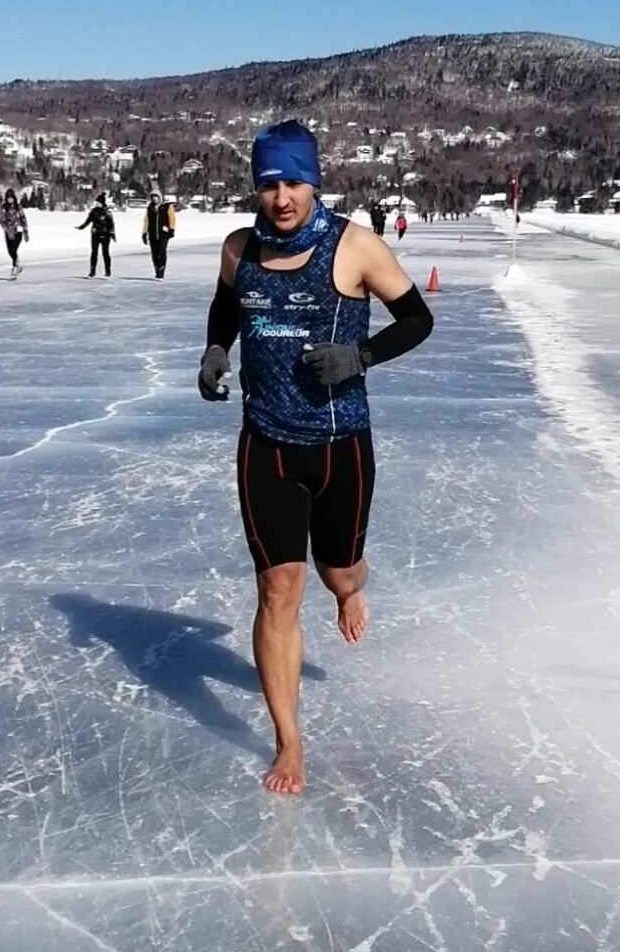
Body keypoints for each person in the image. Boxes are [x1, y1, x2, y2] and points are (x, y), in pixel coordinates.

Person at [198, 120, 434, 795]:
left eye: (293, 182)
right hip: (266, 445)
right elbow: (226, 308)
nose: (280, 196)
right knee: (277, 591)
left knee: (339, 573)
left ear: (314, 183)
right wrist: (217, 351)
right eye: (268, 183)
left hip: (339, 447)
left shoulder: (354, 247)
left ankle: (350, 591)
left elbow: (417, 319)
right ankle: (288, 742)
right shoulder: (238, 248)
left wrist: (358, 356)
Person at [76, 193, 115, 277]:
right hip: (95, 234)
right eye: (96, 203)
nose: (97, 204)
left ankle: (107, 272)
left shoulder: (107, 212)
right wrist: (82, 227)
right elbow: (88, 221)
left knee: (105, 253)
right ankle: (92, 272)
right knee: (94, 253)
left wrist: (112, 234)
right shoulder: (93, 211)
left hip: (105, 235)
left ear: (102, 203)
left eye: (98, 203)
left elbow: (111, 224)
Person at [142, 191, 176, 279]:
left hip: (164, 234)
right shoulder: (150, 208)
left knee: (161, 251)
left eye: (156, 197)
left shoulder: (167, 206)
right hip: (152, 234)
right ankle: (157, 269)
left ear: (160, 197)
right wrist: (144, 233)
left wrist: (171, 229)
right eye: (152, 197)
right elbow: (146, 221)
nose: (154, 199)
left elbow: (172, 218)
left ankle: (161, 271)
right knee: (154, 253)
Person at [1, 188, 29, 279]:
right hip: (8, 231)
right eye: (8, 197)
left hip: (18, 230)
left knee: (14, 249)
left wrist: (26, 232)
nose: (10, 199)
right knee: (10, 251)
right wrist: (8, 231)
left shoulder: (18, 207)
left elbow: (23, 219)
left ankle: (15, 268)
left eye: (11, 197)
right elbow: (2, 220)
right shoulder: (4, 208)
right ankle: (18, 265)